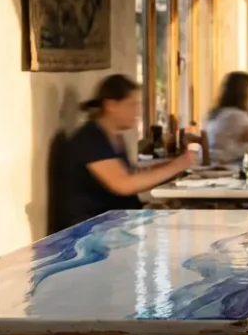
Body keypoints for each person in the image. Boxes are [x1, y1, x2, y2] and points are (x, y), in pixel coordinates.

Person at [67, 74, 195, 225]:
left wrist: (173, 167)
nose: (138, 112)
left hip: (115, 224)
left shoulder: (114, 136)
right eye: (132, 105)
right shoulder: (90, 138)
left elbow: (132, 176)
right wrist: (177, 165)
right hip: (90, 230)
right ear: (111, 105)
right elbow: (124, 184)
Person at [205, 72, 248, 165]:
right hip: (227, 166)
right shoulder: (236, 116)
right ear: (245, 91)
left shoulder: (217, 113)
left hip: (214, 162)